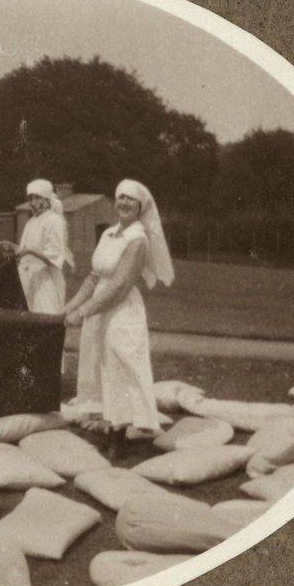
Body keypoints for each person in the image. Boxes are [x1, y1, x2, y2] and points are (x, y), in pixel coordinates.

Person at [63, 178, 174, 458]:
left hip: (122, 311)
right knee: (98, 364)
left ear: (140, 207)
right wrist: (69, 307)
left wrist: (83, 312)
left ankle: (118, 437)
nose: (124, 203)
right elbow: (94, 277)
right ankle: (107, 423)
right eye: (120, 198)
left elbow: (119, 285)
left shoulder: (138, 239)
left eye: (130, 200)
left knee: (121, 369)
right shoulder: (109, 233)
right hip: (100, 306)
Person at [0, 179, 74, 315]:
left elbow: (54, 254)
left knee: (45, 316)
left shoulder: (54, 220)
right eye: (31, 198)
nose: (33, 202)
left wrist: (30, 251)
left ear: (46, 199)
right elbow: (24, 250)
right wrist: (13, 246)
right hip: (29, 278)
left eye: (37, 198)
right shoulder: (32, 221)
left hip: (46, 280)